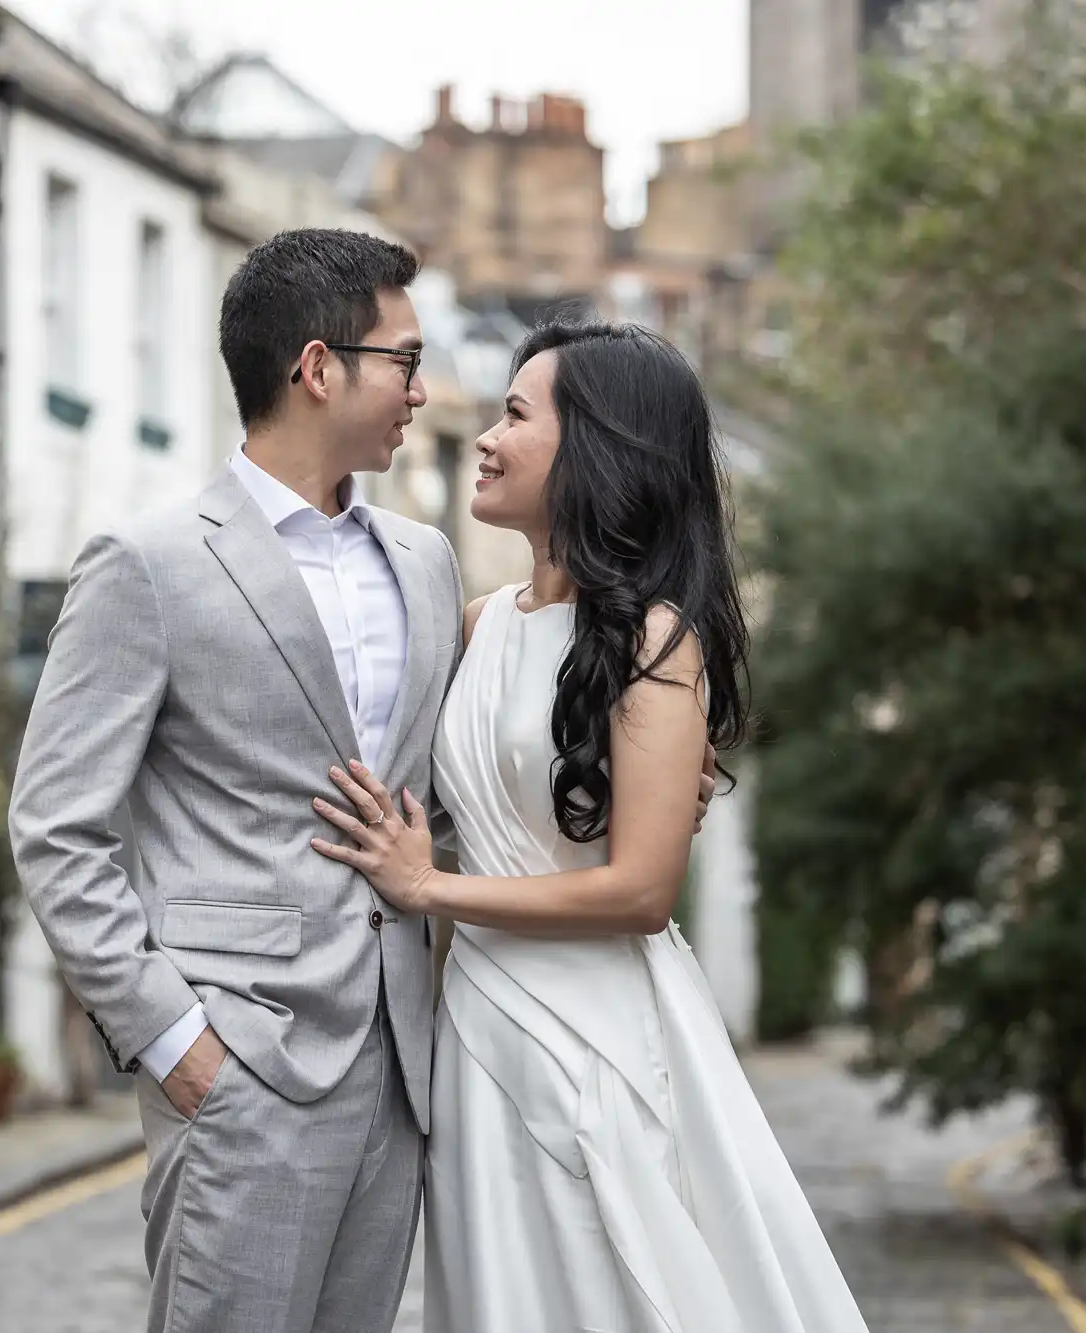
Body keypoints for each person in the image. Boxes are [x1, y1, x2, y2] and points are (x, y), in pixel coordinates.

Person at [9, 231, 716, 1332]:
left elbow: (493, 748)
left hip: (407, 1074)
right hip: (238, 1062)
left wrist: (650, 730)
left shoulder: (428, 565)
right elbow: (56, 826)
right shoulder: (146, 564)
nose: (424, 391)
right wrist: (171, 1043)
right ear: (316, 367)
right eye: (402, 359)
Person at [312, 321, 870, 1332]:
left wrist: (428, 887)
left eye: (516, 415)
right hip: (475, 1025)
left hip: (594, 1031)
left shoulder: (656, 638)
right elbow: (443, 796)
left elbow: (639, 892)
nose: (484, 437)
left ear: (598, 448)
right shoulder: (477, 623)